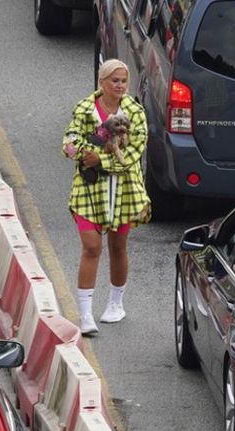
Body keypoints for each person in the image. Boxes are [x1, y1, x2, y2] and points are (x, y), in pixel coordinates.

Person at [62, 59, 150, 336]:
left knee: (118, 246)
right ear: (102, 82)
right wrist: (77, 150)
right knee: (91, 247)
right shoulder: (85, 109)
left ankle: (115, 304)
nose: (121, 85)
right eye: (115, 80)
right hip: (89, 190)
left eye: (124, 80)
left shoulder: (135, 112)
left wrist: (98, 159)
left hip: (123, 189)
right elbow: (71, 140)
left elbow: (134, 153)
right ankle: (86, 314)